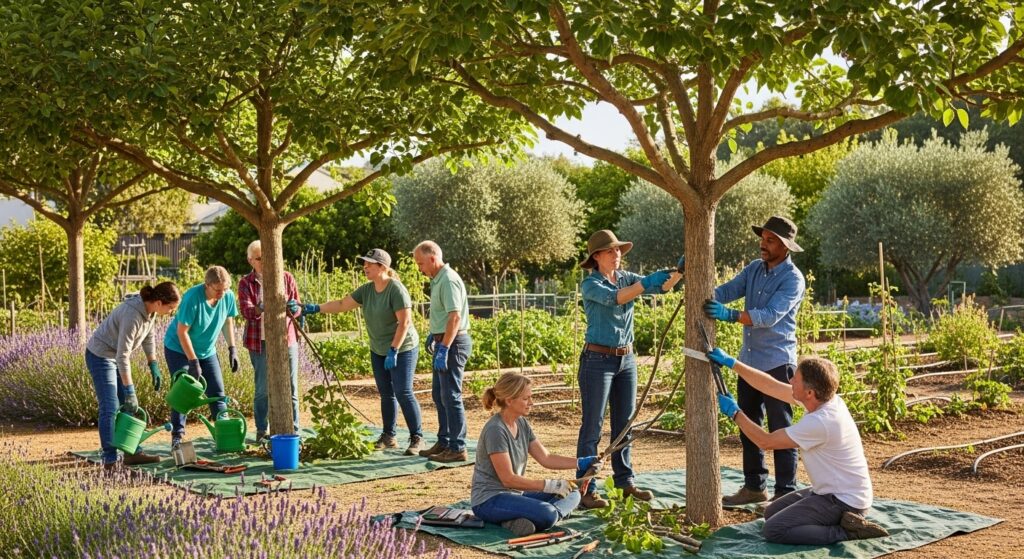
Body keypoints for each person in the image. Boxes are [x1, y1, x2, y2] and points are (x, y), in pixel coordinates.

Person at [707, 350, 890, 544]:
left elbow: (765, 441)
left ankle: (847, 531)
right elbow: (770, 386)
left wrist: (736, 414)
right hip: (830, 491)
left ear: (809, 392)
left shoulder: (821, 422)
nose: (791, 380)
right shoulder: (825, 400)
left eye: (796, 378)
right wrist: (733, 363)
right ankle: (836, 521)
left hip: (844, 501)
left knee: (774, 530)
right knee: (771, 512)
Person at [703, 215, 805, 505]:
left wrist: (732, 316)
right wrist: (702, 289)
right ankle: (754, 486)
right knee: (748, 424)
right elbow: (727, 291)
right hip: (750, 363)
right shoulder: (753, 270)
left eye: (770, 240)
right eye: (763, 238)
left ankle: (785, 491)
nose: (764, 244)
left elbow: (771, 316)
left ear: (785, 246)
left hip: (777, 363)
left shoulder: (793, 279)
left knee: (781, 430)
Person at [576, 230, 682, 508]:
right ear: (596, 257)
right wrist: (646, 283)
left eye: (619, 250)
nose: (617, 254)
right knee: (593, 427)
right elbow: (617, 298)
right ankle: (586, 488)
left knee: (625, 425)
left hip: (626, 360)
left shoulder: (626, 277)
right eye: (611, 251)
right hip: (597, 361)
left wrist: (679, 272)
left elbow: (663, 287)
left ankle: (625, 482)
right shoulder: (591, 285)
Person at [303, 248, 424, 455]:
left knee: (403, 391)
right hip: (378, 349)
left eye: (369, 263)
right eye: (364, 263)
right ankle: (389, 435)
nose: (365, 266)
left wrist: (393, 350)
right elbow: (342, 304)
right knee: (386, 393)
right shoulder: (367, 290)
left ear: (382, 267)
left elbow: (405, 323)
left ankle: (417, 437)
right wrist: (314, 308)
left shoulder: (396, 289)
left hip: (402, 347)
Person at [471, 372, 602, 537]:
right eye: (526, 399)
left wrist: (580, 462)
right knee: (548, 513)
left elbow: (545, 458)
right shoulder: (495, 430)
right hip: (489, 500)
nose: (531, 403)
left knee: (573, 492)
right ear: (509, 400)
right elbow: (508, 479)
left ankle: (521, 519)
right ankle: (549, 515)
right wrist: (550, 485)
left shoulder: (522, 423)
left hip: (514, 495)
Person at [86, 282, 181, 469]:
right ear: (160, 302)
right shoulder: (132, 315)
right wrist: (130, 390)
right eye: (170, 308)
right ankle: (110, 459)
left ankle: (132, 452)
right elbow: (123, 356)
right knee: (111, 406)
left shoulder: (150, 311)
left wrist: (152, 362)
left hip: (115, 356)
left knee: (126, 407)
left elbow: (149, 337)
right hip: (101, 355)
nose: (171, 312)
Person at [164, 266, 239, 447]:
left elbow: (228, 320)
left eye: (225, 289)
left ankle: (224, 433)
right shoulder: (192, 298)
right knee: (184, 390)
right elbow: (182, 332)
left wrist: (232, 348)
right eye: (218, 290)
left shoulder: (227, 296)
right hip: (179, 349)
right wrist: (193, 361)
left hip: (207, 351)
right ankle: (177, 436)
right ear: (207, 285)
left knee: (217, 392)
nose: (222, 293)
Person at [412, 240, 471, 463]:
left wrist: (444, 347)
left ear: (432, 258)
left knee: (451, 396)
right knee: (439, 395)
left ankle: (458, 447)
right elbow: (445, 315)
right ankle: (444, 440)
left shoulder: (447, 280)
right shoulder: (437, 280)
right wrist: (435, 334)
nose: (419, 268)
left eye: (420, 263)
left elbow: (455, 317)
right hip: (445, 341)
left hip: (454, 344)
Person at [237, 240, 302, 442]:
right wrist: (263, 306)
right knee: (263, 389)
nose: (264, 262)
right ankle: (261, 431)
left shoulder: (286, 278)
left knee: (290, 387)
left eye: (267, 257)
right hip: (259, 341)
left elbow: (298, 308)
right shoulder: (246, 283)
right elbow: (247, 311)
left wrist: (293, 308)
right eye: (259, 258)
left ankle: (295, 430)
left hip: (286, 339)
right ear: (250, 261)